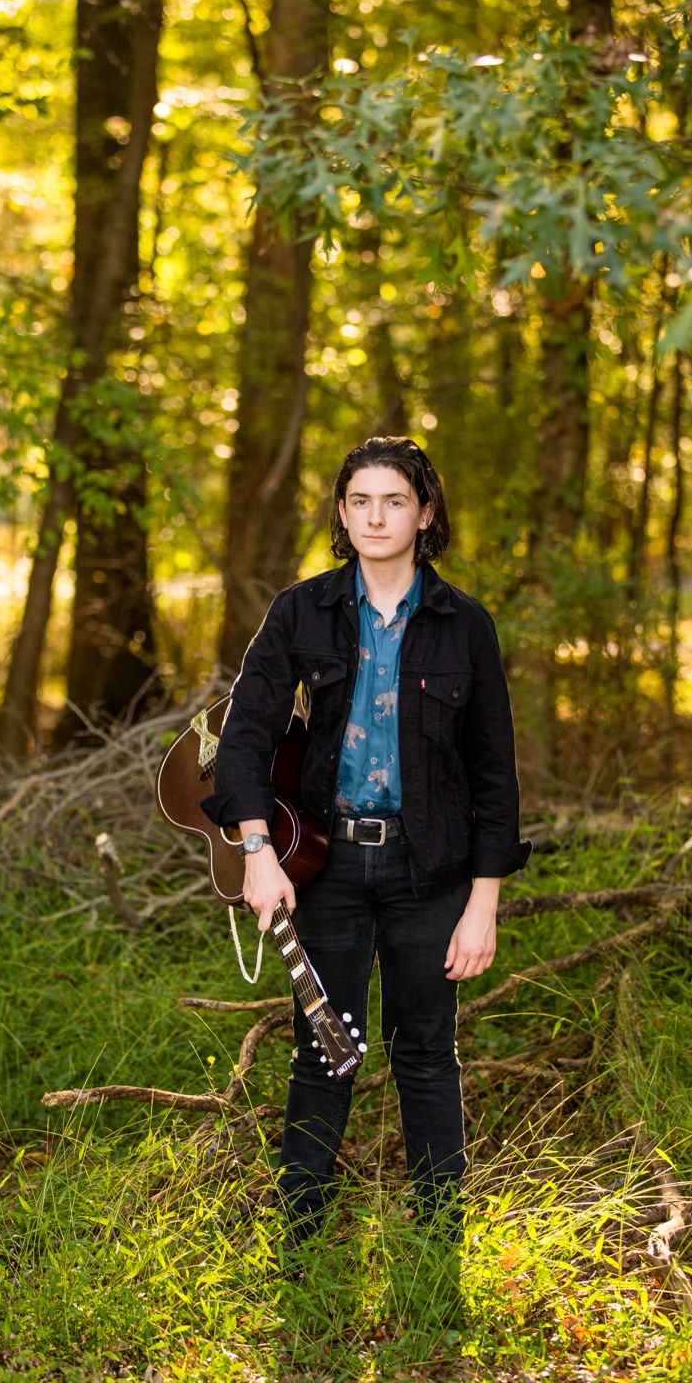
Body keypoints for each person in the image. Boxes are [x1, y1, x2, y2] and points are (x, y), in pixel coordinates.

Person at [203, 436, 529, 1244]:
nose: (375, 516)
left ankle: (438, 1243)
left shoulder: (466, 627)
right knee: (323, 1051)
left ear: (424, 513)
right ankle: (301, 1246)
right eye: (359, 501)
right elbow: (242, 739)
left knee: (424, 1053)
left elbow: (495, 778)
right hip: (327, 867)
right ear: (342, 514)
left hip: (433, 872)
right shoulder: (300, 611)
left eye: (393, 501)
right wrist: (257, 851)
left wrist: (482, 904)